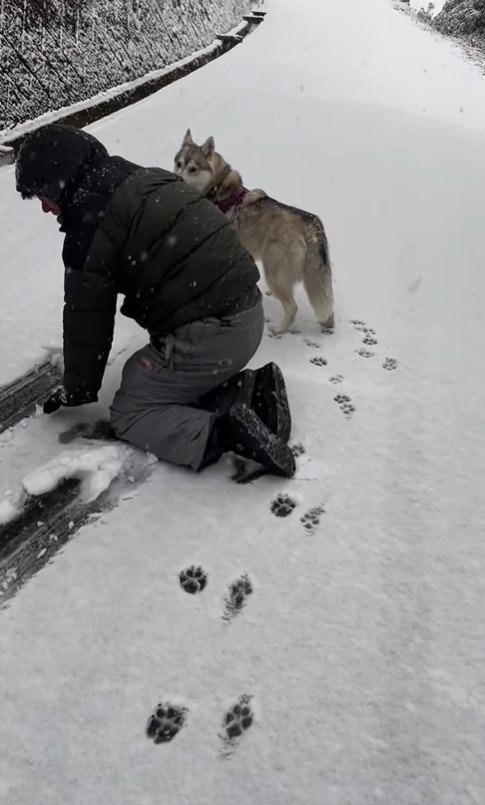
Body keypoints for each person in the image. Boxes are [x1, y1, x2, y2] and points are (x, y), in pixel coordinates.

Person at [15, 124, 295, 477]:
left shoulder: (87, 232)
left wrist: (76, 390)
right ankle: (253, 391)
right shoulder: (140, 177)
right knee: (146, 373)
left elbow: (87, 324)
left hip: (216, 333)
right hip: (249, 313)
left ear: (59, 181)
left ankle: (224, 433)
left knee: (132, 407)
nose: (43, 208)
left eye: (41, 195)